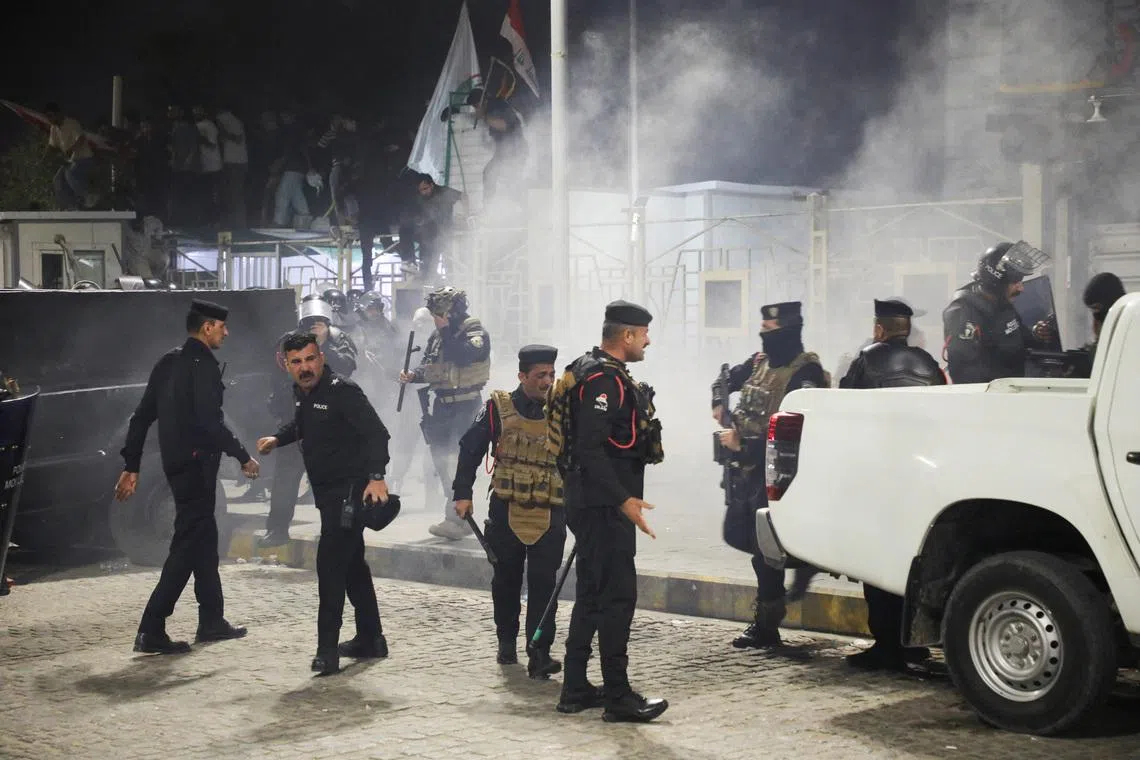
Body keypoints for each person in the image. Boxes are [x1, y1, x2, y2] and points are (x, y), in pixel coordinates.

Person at [115, 299, 259, 654]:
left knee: (204, 539)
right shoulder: (204, 366)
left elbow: (141, 416)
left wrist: (131, 465)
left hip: (176, 465)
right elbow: (211, 423)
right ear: (207, 327)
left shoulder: (169, 361)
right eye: (222, 326)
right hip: (197, 466)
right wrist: (243, 456)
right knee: (186, 545)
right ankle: (151, 628)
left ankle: (211, 619)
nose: (226, 332)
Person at [548, 300, 668, 722]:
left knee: (592, 596)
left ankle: (576, 687)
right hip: (603, 505)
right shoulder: (604, 381)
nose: (648, 341)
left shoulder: (589, 368)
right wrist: (623, 500)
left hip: (591, 501)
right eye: (644, 334)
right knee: (618, 597)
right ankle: (618, 695)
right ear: (627, 336)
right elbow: (589, 448)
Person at [257, 332, 392, 675]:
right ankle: (371, 638)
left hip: (348, 495)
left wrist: (377, 476)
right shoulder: (303, 393)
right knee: (353, 568)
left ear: (321, 357)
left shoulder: (342, 390)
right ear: (286, 365)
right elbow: (302, 425)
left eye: (310, 359)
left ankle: (326, 652)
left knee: (330, 569)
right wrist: (278, 438)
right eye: (297, 362)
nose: (305, 368)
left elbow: (377, 433)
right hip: (326, 495)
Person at [712, 301, 828, 649]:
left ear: (790, 333)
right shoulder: (758, 363)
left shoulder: (805, 374)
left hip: (780, 476)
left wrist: (743, 445)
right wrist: (719, 401)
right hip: (747, 473)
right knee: (750, 542)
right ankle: (769, 617)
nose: (765, 340)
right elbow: (724, 380)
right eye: (763, 331)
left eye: (772, 333)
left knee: (767, 554)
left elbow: (796, 432)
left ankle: (766, 624)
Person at [838, 299, 945, 670]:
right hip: (922, 476)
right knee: (912, 560)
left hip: (878, 475)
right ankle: (912, 641)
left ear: (879, 329)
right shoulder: (930, 364)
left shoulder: (866, 360)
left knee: (877, 562)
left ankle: (886, 645)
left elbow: (844, 412)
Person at [452, 345, 566, 678]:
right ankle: (506, 643)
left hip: (550, 511)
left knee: (545, 586)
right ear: (522, 376)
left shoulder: (563, 412)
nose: (547, 381)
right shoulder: (497, 408)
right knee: (506, 582)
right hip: (506, 510)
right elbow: (470, 448)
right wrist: (462, 494)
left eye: (551, 374)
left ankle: (539, 651)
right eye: (539, 375)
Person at [259, 296, 357, 547]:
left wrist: (324, 345)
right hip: (296, 420)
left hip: (329, 422)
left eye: (320, 321)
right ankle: (277, 529)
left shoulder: (339, 339)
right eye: (311, 321)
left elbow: (348, 366)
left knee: (332, 482)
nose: (315, 325)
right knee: (285, 479)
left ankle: (336, 533)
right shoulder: (289, 340)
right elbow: (277, 371)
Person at [399, 287, 491, 540]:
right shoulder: (439, 335)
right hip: (441, 406)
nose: (436, 316)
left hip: (466, 405)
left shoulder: (474, 332)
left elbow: (461, 356)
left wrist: (445, 329)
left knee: (456, 462)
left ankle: (457, 518)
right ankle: (455, 514)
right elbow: (432, 364)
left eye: (440, 311)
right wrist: (414, 375)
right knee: (440, 460)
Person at [942, 242, 1053, 383]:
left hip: (1011, 391)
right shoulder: (963, 314)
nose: (1021, 288)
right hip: (989, 399)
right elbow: (965, 375)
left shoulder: (1002, 304)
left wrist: (1036, 334)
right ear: (996, 283)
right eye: (1015, 282)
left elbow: (1016, 336)